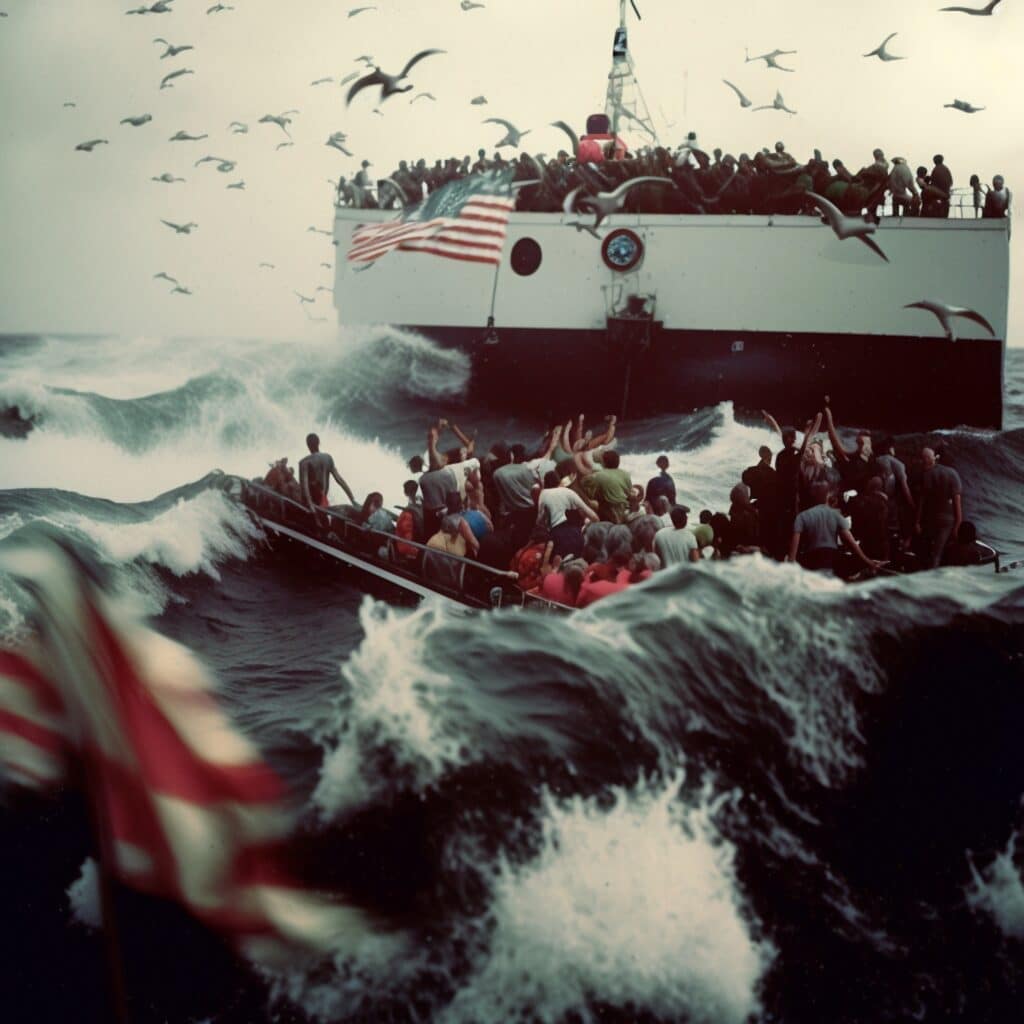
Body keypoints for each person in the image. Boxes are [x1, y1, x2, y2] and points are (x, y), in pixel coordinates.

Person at [787, 482, 884, 575]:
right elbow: (851, 543)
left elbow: (792, 555)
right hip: (832, 560)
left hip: (812, 561)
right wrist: (868, 562)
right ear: (827, 496)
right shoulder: (836, 515)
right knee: (851, 560)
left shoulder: (802, 516)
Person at [915, 446, 962, 569]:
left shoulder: (927, 475)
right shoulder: (953, 473)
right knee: (938, 553)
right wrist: (957, 525)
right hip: (948, 520)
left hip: (932, 519)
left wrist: (917, 522)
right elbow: (957, 502)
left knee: (930, 552)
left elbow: (922, 502)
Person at [536, 470, 598, 559]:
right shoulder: (568, 491)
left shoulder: (543, 494)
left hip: (557, 537)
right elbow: (593, 516)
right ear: (558, 481)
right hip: (577, 534)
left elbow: (539, 521)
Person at [299, 433, 356, 513]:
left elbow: (304, 487)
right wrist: (353, 500)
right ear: (319, 443)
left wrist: (310, 505)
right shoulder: (328, 458)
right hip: (323, 501)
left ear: (307, 445)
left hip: (311, 503)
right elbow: (340, 480)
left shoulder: (304, 462)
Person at [588, 449, 633, 523]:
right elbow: (629, 492)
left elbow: (594, 495)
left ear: (604, 462)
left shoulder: (599, 475)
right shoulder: (625, 474)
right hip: (625, 508)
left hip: (609, 511)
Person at [929, 154, 953, 219]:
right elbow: (951, 182)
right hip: (946, 196)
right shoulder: (946, 169)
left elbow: (933, 184)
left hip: (938, 196)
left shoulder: (936, 170)